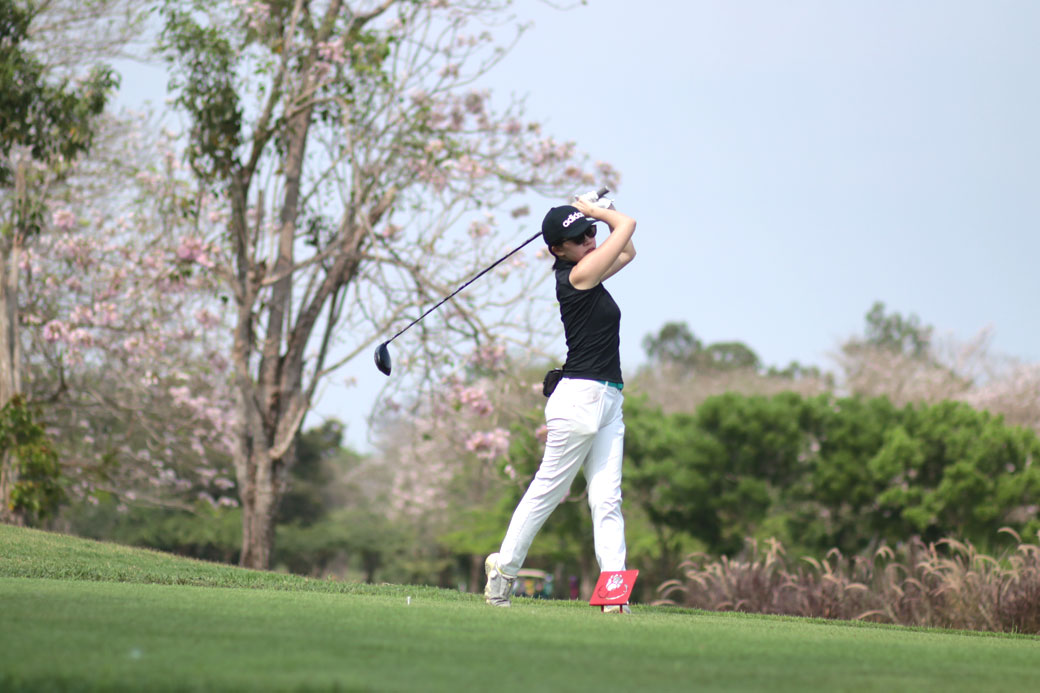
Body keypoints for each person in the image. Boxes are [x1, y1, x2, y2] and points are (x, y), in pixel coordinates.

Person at [484, 193, 637, 610]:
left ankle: (614, 596)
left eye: (590, 233)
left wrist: (599, 213)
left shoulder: (590, 270)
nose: (589, 240)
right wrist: (595, 211)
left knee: (607, 499)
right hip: (579, 400)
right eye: (579, 237)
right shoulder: (576, 277)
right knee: (549, 491)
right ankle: (503, 574)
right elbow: (627, 227)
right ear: (558, 250)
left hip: (610, 400)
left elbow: (627, 250)